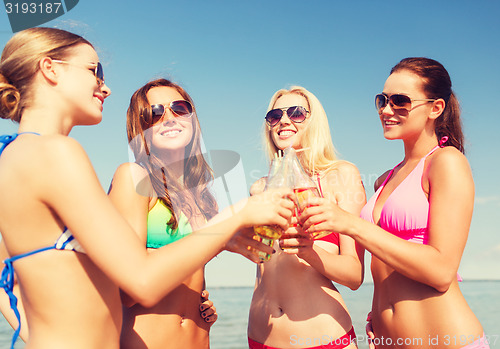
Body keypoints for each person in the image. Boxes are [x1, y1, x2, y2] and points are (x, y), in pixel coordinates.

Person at [0, 27, 293, 349]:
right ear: (50, 69)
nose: (106, 87)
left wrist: (40, 336)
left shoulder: (18, 154)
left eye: (180, 109)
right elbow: (139, 283)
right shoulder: (56, 152)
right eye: (93, 71)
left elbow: (10, 270)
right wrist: (236, 216)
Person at [301, 57, 490, 349]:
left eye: (400, 101)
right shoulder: (384, 180)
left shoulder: (446, 163)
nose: (386, 110)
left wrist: (350, 223)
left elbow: (441, 272)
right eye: (382, 100)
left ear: (435, 108)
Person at [108, 78, 273, 349]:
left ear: (193, 119)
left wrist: (199, 302)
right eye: (155, 112)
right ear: (140, 127)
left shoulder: (202, 197)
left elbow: (184, 269)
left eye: (179, 108)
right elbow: (127, 290)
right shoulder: (134, 177)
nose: (169, 117)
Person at [247, 86, 366, 349]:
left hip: (322, 338)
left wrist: (308, 251)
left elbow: (354, 275)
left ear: (314, 121)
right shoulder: (259, 188)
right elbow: (261, 268)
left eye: (296, 113)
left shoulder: (340, 176)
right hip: (260, 337)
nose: (284, 121)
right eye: (275, 115)